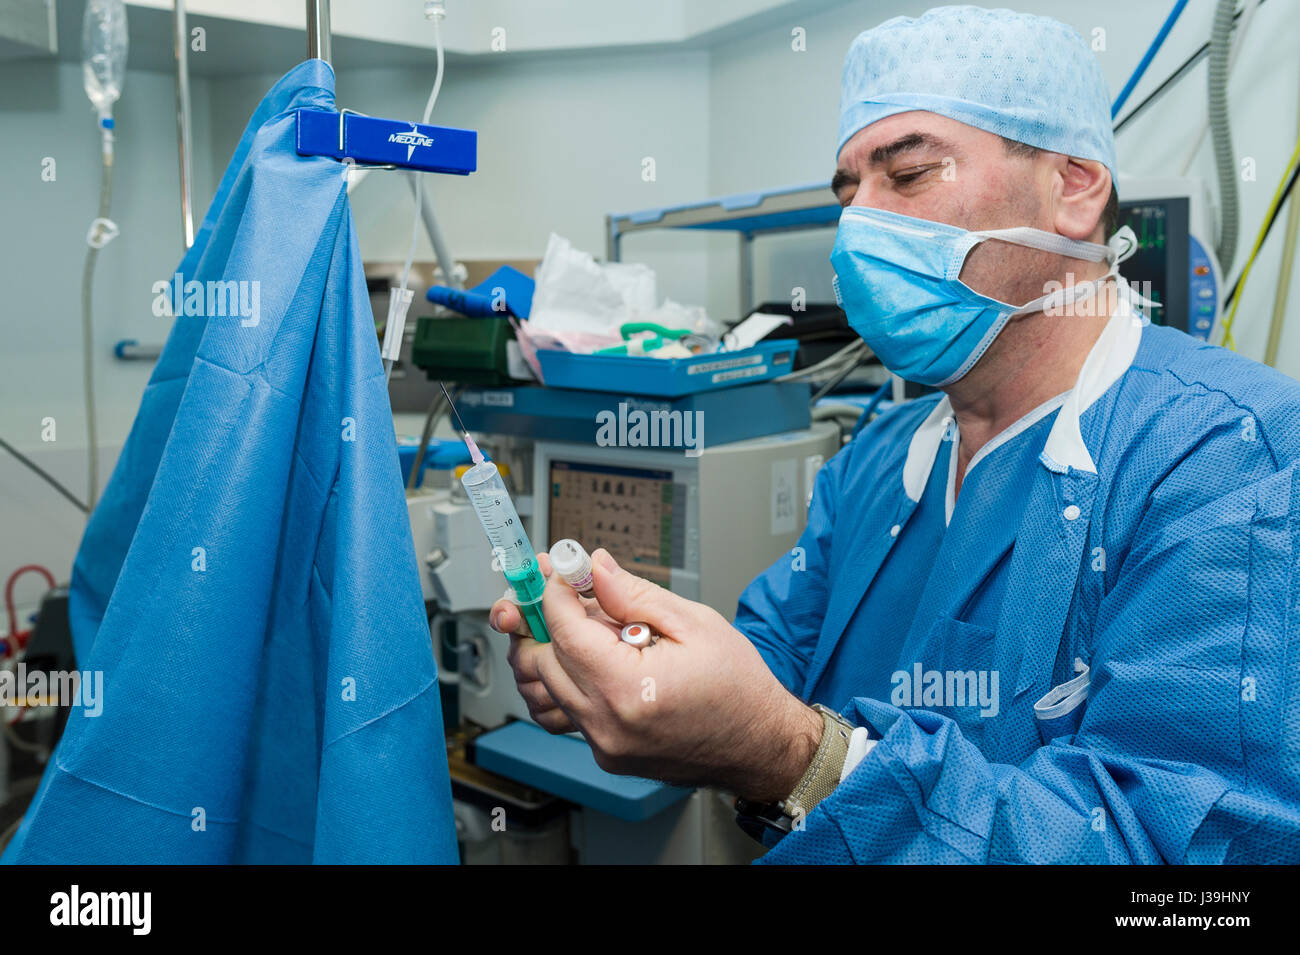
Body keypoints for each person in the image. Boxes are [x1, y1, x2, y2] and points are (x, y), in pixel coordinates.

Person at [490, 5, 1300, 863]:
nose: (858, 226)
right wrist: (631, 667)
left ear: (1073, 186)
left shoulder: (1231, 464)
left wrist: (796, 759)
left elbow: (1185, 868)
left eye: (906, 175)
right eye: (849, 194)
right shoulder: (875, 464)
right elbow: (769, 668)